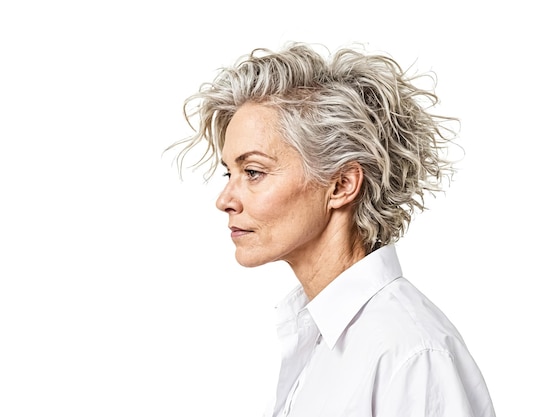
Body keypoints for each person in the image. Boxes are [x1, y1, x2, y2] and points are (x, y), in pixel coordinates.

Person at [168, 43, 496, 417]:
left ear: (341, 185)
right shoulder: (319, 337)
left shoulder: (408, 352)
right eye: (231, 172)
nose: (225, 199)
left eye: (254, 172)